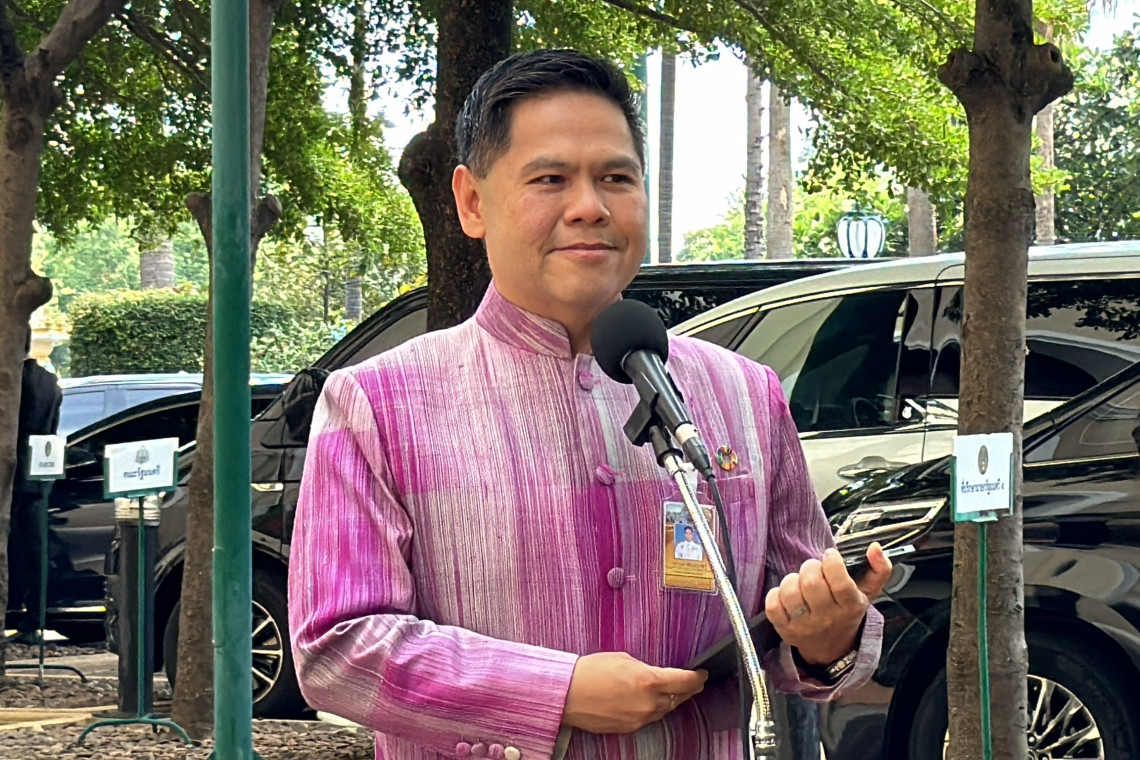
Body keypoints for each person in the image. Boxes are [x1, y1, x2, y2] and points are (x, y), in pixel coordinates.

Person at [288, 49, 892, 760]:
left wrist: (829, 637)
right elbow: (337, 646)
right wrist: (557, 690)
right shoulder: (376, 404)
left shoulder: (744, 394)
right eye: (550, 179)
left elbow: (800, 620)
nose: (590, 207)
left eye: (615, 178)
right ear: (472, 201)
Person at [7, 331, 62, 646]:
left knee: (18, 549)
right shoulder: (50, 382)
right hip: (40, 470)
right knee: (35, 549)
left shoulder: (14, 380)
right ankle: (35, 616)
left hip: (16, 472)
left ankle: (21, 613)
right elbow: (52, 427)